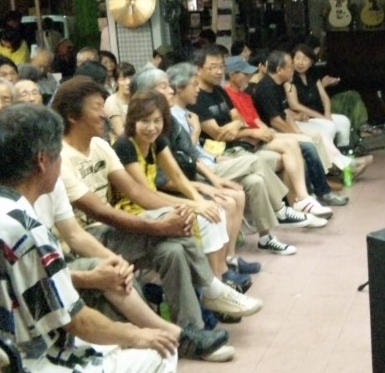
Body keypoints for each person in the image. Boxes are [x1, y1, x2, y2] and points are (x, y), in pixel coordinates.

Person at [0, 103, 179, 373]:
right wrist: (137, 334)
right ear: (43, 161)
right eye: (59, 155)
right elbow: (78, 322)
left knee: (124, 340)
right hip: (21, 363)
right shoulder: (24, 228)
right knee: (160, 350)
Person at [51, 77, 261, 351]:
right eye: (97, 107)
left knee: (172, 249)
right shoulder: (61, 158)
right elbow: (102, 213)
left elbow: (137, 191)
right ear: (72, 115)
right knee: (171, 223)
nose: (105, 113)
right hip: (89, 239)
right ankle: (211, 287)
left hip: (114, 233)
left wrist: (180, 210)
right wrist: (163, 224)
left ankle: (192, 335)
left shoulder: (101, 147)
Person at [155, 65, 312, 257]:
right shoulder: (170, 117)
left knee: (256, 181)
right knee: (254, 162)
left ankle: (266, 238)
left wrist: (215, 156)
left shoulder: (186, 111)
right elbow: (187, 153)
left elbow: (196, 149)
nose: (197, 89)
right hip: (198, 171)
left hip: (210, 161)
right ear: (180, 88)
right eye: (193, 85)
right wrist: (196, 131)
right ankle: (281, 209)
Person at [113, 89, 250, 289]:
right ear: (133, 120)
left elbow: (177, 177)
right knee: (204, 219)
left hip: (155, 202)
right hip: (132, 208)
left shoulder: (157, 140)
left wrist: (200, 201)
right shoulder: (125, 145)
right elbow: (146, 194)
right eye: (145, 121)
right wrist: (196, 205)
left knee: (214, 211)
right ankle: (212, 286)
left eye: (157, 121)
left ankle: (218, 277)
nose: (152, 127)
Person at [191, 46, 346, 210]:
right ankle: (291, 204)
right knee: (298, 147)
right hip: (226, 151)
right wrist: (250, 130)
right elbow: (219, 133)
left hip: (246, 140)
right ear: (198, 70)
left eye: (221, 66)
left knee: (297, 146)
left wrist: (240, 126)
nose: (219, 71)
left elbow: (239, 119)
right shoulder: (199, 97)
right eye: (213, 67)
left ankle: (302, 199)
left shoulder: (219, 91)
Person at [253, 50, 371, 177]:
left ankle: (339, 167)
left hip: (286, 125)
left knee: (319, 134)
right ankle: (343, 167)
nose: (293, 68)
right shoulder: (267, 88)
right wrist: (296, 134)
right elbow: (276, 121)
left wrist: (296, 125)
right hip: (271, 132)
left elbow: (285, 113)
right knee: (312, 137)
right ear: (279, 70)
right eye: (290, 66)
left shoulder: (278, 85)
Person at [105, 62, 135, 138]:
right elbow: (120, 132)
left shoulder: (137, 98)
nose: (128, 82)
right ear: (116, 81)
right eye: (123, 79)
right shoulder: (112, 101)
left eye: (131, 78)